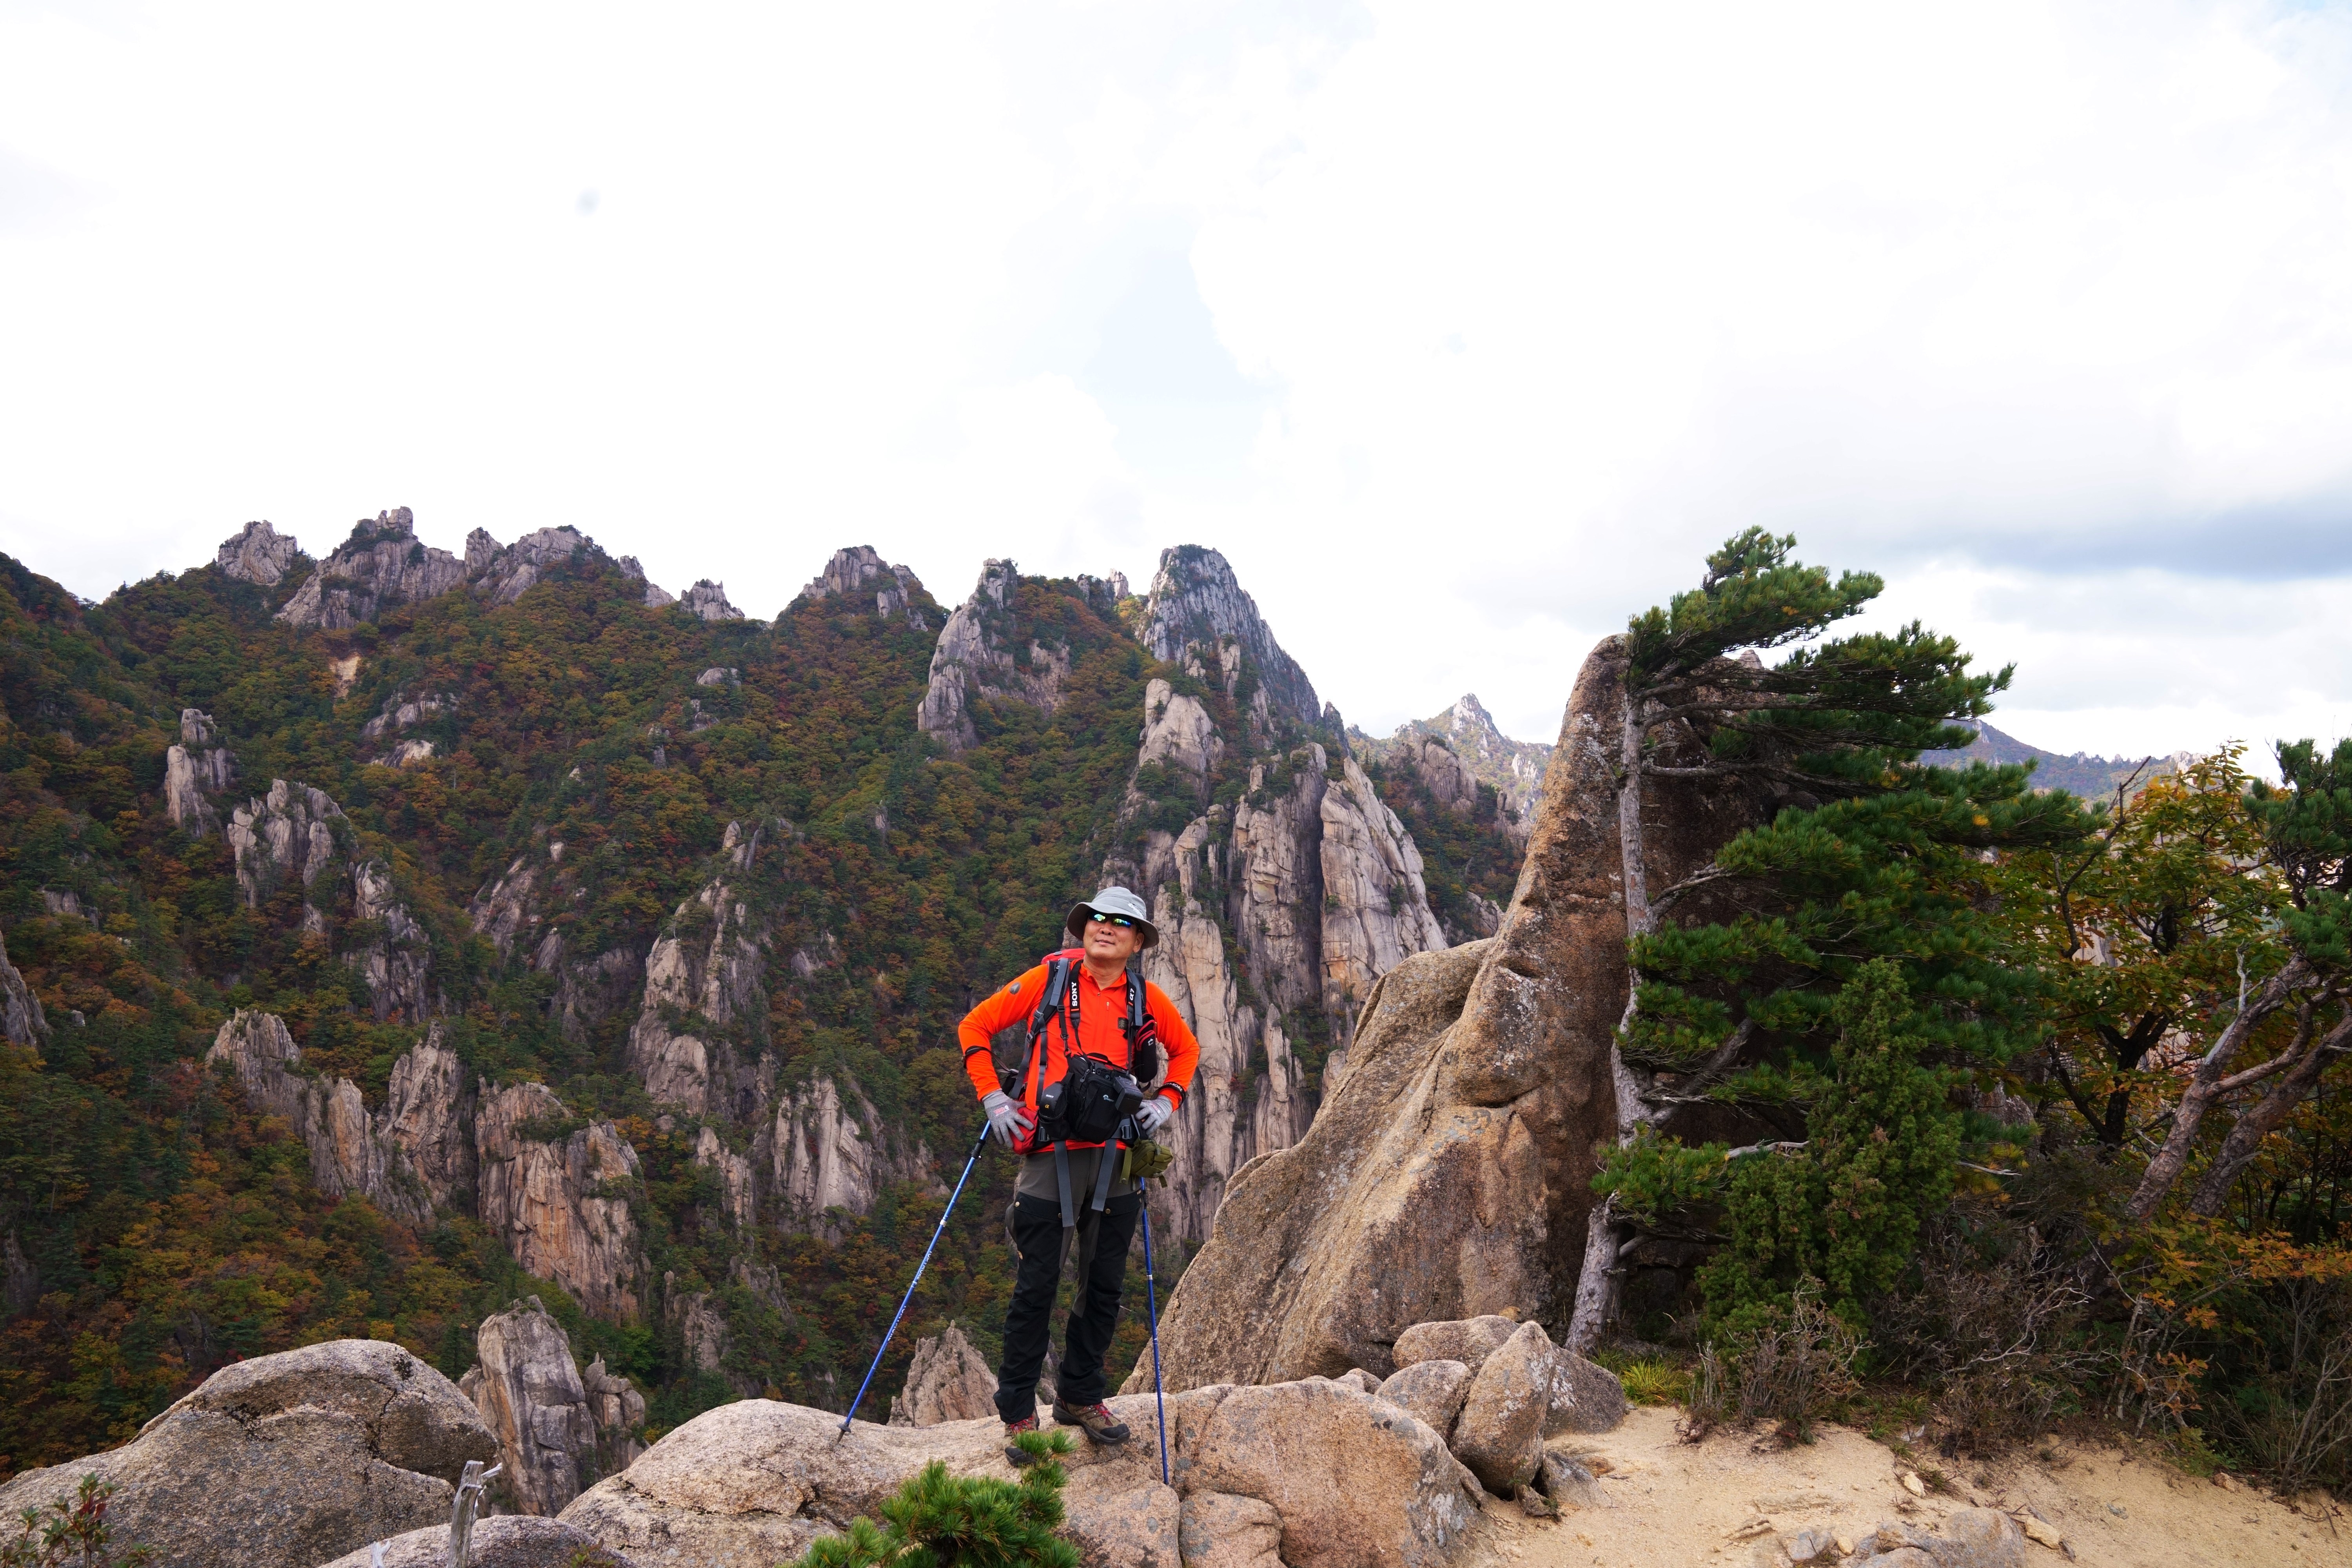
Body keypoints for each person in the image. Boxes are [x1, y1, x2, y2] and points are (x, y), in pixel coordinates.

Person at [958, 885, 1199, 1458]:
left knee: (1104, 1285)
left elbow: (1187, 1052)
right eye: (1097, 918)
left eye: (1121, 923)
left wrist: (1166, 1102)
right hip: (1049, 1154)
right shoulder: (1049, 980)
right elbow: (974, 1027)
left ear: (1137, 943)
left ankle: (1079, 1396)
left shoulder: (1145, 999)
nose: (1105, 927)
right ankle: (1019, 1412)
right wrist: (993, 1099)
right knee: (1037, 1285)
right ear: (1084, 928)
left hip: (1115, 1158)